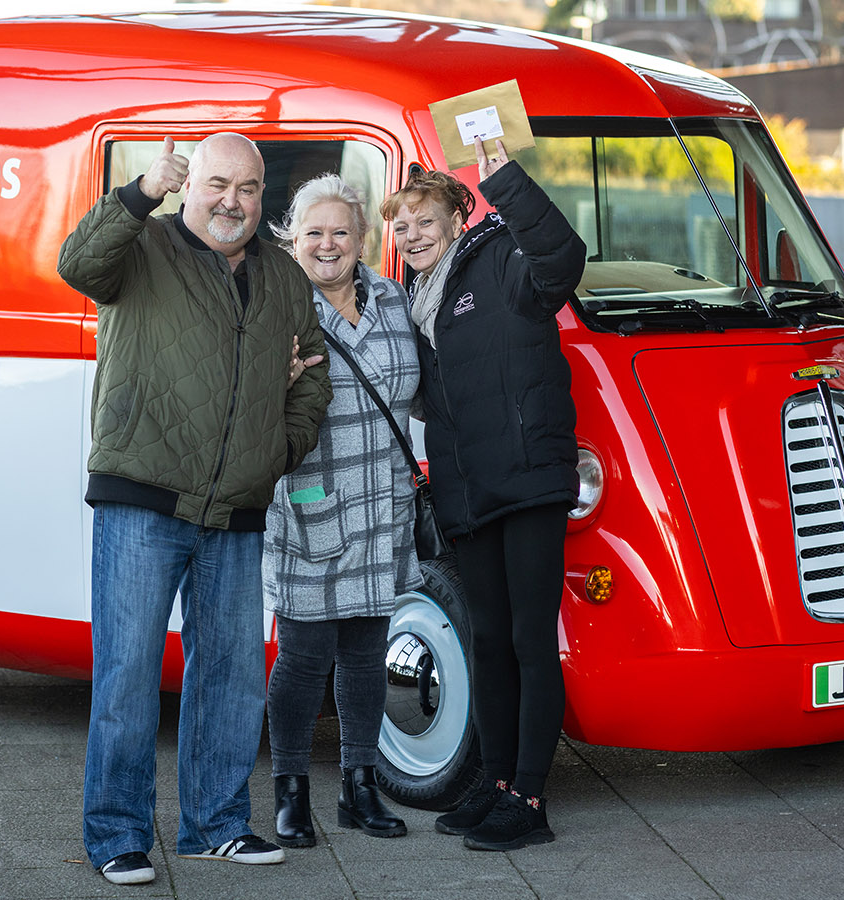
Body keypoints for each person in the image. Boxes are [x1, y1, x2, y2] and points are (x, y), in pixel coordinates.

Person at [57, 133, 331, 885]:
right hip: (143, 501)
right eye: (217, 184)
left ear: (261, 196)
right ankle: (117, 834)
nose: (232, 202)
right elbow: (76, 264)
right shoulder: (142, 246)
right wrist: (140, 192)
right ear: (189, 186)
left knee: (233, 679)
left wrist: (277, 449)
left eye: (247, 189)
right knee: (128, 675)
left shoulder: (282, 275)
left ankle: (215, 824)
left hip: (238, 512)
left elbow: (313, 375)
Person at [380, 138, 586, 852]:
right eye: (398, 225)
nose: (410, 234)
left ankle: (529, 798)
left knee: (531, 642)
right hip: (468, 494)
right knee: (489, 643)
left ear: (457, 212)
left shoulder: (500, 260)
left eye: (422, 217)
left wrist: (504, 172)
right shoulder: (411, 301)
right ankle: (497, 784)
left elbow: (563, 258)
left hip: (527, 480)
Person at [262, 174, 421, 848]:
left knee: (365, 651)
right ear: (291, 240)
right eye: (313, 233)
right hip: (312, 498)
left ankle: (360, 787)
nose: (328, 244)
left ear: (361, 240)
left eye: (340, 232)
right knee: (302, 656)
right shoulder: (277, 307)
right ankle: (290, 793)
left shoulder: (390, 297)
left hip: (384, 500)